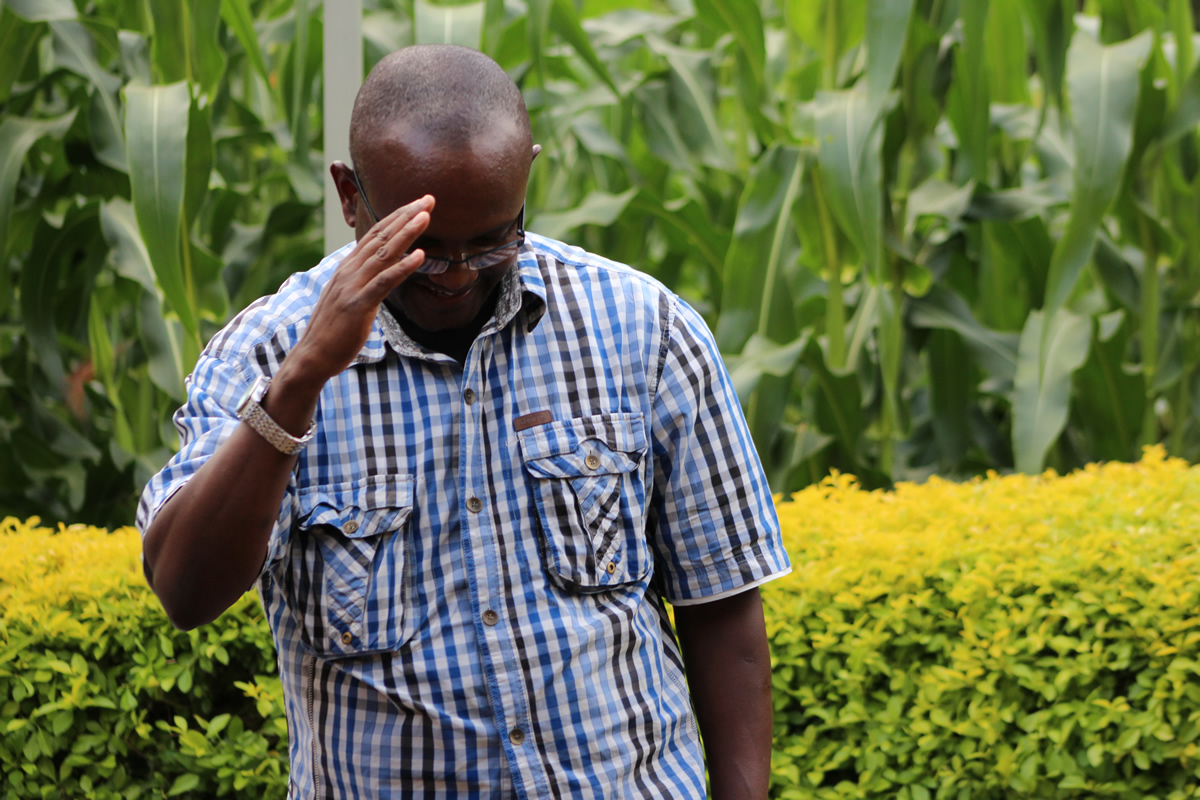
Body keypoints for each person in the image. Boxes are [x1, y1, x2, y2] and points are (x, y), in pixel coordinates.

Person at [138, 44, 791, 799]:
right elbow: (186, 591)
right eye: (423, 246)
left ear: (525, 179)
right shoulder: (266, 353)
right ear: (350, 196)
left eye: (491, 241)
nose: (455, 275)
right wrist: (301, 381)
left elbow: (723, 609)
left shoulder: (643, 328)